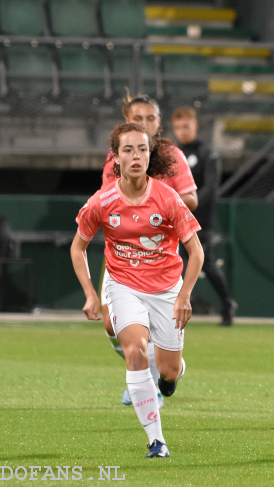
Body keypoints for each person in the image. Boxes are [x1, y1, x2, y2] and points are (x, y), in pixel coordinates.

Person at [71, 123, 203, 458]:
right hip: (123, 286)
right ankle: (157, 441)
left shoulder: (167, 197)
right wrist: (90, 292)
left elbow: (196, 251)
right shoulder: (102, 201)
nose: (136, 156)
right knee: (136, 353)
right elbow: (78, 247)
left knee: (169, 370)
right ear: (115, 157)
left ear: (150, 154)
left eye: (142, 149)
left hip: (167, 289)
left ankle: (173, 375)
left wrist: (185, 295)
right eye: (128, 150)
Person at [100, 93, 198, 408]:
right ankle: (140, 367)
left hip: (157, 254)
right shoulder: (116, 157)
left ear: (158, 121)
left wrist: (158, 200)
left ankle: (159, 374)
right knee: (111, 323)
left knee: (166, 358)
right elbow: (105, 200)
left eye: (150, 118)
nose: (144, 124)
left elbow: (191, 198)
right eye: (137, 118)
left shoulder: (171, 155)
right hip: (121, 254)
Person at [172, 107, 237, 327]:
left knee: (207, 264)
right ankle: (171, 308)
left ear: (195, 126)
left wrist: (187, 204)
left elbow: (211, 187)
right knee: (173, 264)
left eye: (186, 126)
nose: (182, 131)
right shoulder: (172, 154)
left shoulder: (207, 154)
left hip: (201, 221)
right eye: (178, 127)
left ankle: (227, 303)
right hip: (175, 221)